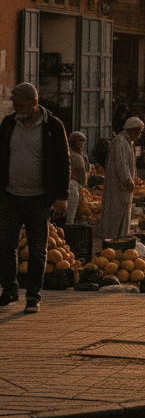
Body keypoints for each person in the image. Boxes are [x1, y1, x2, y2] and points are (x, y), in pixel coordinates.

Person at [0, 83, 71, 313]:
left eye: (21, 105)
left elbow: (63, 162)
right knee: (5, 244)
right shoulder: (9, 124)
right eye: (15, 105)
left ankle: (33, 296)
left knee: (38, 250)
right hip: (10, 195)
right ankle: (10, 290)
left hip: (39, 199)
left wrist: (62, 196)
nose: (17, 109)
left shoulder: (52, 126)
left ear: (35, 103)